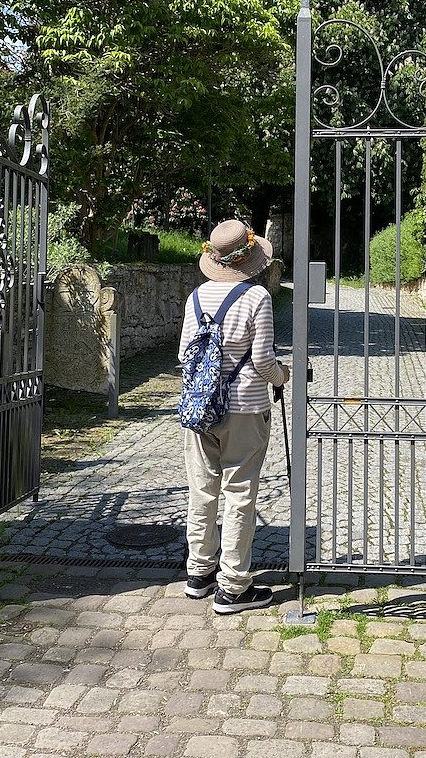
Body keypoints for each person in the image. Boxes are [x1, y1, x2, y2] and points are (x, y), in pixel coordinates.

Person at [178, 219, 290, 613]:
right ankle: (233, 587)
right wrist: (284, 375)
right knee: (239, 493)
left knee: (202, 489)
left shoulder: (196, 297)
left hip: (200, 408)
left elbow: (184, 356)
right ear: (249, 258)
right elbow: (263, 361)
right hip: (244, 408)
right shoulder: (257, 297)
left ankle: (199, 573)